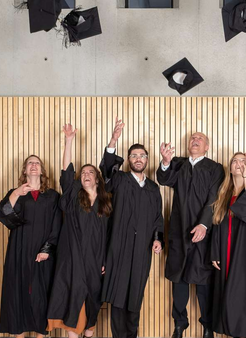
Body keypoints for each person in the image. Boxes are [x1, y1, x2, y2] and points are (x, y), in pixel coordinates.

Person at [99, 118, 164, 338]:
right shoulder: (119, 180)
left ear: (147, 160)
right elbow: (106, 169)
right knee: (118, 293)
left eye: (142, 156)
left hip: (142, 249)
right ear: (128, 159)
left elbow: (158, 217)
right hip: (119, 246)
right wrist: (113, 140)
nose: (138, 159)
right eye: (134, 155)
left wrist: (157, 239)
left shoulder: (153, 188)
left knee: (135, 293)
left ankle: (132, 335)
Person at [156, 132, 225, 338]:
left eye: (200, 139)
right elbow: (164, 179)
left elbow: (214, 198)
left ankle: (207, 326)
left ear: (207, 147)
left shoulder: (215, 168)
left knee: (204, 282)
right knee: (179, 280)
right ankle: (179, 324)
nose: (195, 140)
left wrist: (204, 224)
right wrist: (166, 162)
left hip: (203, 234)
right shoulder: (179, 164)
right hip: (180, 231)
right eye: (192, 138)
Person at [47, 124, 112, 338]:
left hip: (95, 259)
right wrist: (69, 141)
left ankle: (89, 331)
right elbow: (67, 173)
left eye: (90, 172)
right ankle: (74, 333)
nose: (85, 175)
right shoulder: (74, 195)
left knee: (93, 298)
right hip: (73, 257)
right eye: (83, 172)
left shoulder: (106, 202)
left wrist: (105, 259)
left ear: (97, 178)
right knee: (73, 298)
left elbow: (109, 235)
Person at [0, 155, 62, 338]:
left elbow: (57, 225)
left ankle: (41, 335)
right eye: (30, 163)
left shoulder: (52, 196)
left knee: (42, 294)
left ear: (42, 171)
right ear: (25, 170)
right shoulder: (15, 194)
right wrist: (16, 193)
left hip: (43, 253)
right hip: (19, 250)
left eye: (37, 163)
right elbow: (4, 216)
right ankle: (19, 334)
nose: (34, 165)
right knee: (19, 292)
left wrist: (47, 249)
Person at [210, 152, 246, 338]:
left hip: (244, 251)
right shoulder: (223, 194)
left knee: (241, 291)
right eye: (235, 161)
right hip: (225, 251)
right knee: (225, 291)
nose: (239, 164)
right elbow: (216, 225)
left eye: (243, 161)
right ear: (230, 167)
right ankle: (229, 330)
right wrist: (215, 252)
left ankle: (244, 332)